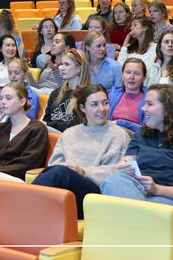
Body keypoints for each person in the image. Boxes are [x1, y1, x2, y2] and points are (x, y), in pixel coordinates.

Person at [101, 84, 173, 234]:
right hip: (136, 193)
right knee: (115, 179)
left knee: (122, 212)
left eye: (149, 104)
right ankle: (138, 228)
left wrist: (157, 189)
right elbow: (127, 161)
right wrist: (122, 166)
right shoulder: (142, 134)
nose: (143, 109)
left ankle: (130, 228)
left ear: (168, 109)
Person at [33, 84, 130, 218]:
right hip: (66, 190)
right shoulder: (69, 134)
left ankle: (24, 208)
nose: (102, 109)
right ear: (83, 108)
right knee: (57, 173)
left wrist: (83, 172)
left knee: (61, 173)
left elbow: (117, 175)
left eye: (105, 103)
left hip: (96, 195)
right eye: (94, 104)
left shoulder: (118, 135)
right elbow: (53, 166)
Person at [0, 82, 48, 181]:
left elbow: (28, 164)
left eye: (8, 98)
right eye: (1, 98)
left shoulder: (37, 128)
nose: (3, 102)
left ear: (22, 102)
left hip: (16, 179)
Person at [42, 49, 91, 133]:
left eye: (66, 64)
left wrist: (50, 125)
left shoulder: (88, 95)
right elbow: (46, 120)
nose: (60, 68)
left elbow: (77, 126)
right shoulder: (55, 93)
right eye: (61, 64)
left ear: (79, 69)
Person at [108, 58, 148, 132]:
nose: (131, 77)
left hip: (135, 137)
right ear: (122, 75)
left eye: (137, 73)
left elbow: (148, 131)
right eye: (128, 72)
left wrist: (121, 123)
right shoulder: (113, 95)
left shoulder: (149, 100)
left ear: (144, 78)